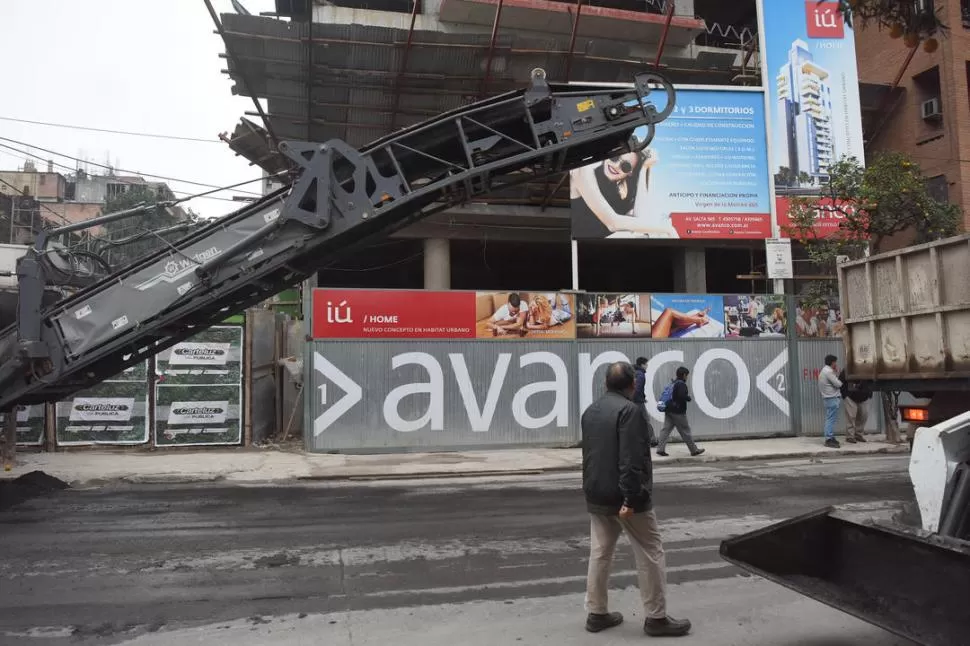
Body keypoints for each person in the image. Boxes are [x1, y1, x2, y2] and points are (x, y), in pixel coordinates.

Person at [580, 361, 692, 637]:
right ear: (633, 385)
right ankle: (656, 617)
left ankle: (596, 613)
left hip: (596, 493)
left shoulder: (591, 411)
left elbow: (591, 456)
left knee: (600, 552)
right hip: (625, 497)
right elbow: (632, 460)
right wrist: (630, 499)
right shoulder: (630, 412)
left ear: (605, 384)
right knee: (650, 551)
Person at [656, 367, 704, 457]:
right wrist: (688, 398)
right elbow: (681, 395)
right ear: (684, 375)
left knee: (665, 430)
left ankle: (660, 449)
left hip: (669, 410)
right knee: (685, 431)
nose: (687, 377)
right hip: (678, 411)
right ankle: (694, 450)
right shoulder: (681, 384)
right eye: (687, 375)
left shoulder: (673, 383)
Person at [839, 368, 872, 444]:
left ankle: (858, 434)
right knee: (851, 416)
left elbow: (872, 381)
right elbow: (840, 382)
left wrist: (869, 394)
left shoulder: (868, 369)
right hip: (850, 397)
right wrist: (845, 395)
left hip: (864, 397)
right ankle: (850, 436)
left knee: (864, 415)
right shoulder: (847, 369)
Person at [818, 355, 843, 448]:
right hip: (832, 398)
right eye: (835, 362)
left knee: (830, 418)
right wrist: (838, 372)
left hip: (828, 398)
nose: (836, 364)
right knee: (831, 419)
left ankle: (830, 436)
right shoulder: (828, 372)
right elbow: (838, 384)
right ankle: (829, 438)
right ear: (832, 362)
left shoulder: (824, 370)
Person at [633, 357, 658, 448]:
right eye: (646, 364)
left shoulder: (634, 372)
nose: (647, 366)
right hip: (637, 401)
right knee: (646, 421)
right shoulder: (640, 375)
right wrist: (640, 398)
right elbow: (637, 389)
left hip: (634, 400)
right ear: (642, 365)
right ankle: (652, 440)